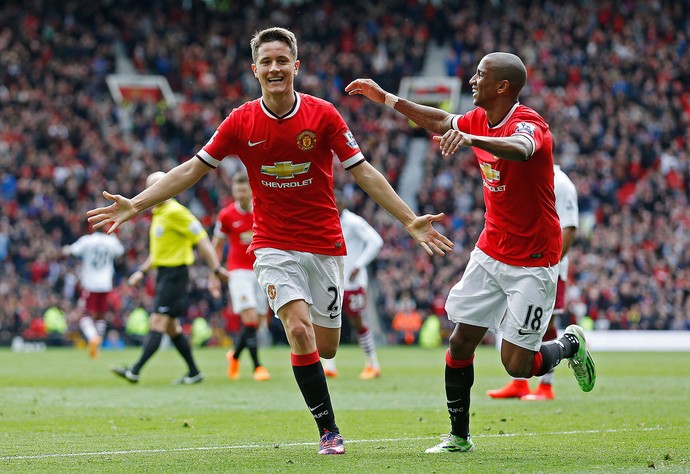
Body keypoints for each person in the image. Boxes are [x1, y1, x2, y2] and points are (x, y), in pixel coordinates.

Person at [87, 27, 452, 455]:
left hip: (323, 246)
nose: (275, 68)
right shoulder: (241, 120)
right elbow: (192, 169)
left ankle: (319, 389)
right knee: (298, 331)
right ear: (254, 69)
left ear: (295, 66)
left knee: (328, 346)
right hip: (273, 245)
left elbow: (364, 170)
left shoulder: (324, 115)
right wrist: (138, 203)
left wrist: (409, 220)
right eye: (267, 62)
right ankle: (328, 431)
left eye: (282, 61)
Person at [346, 51, 596, 454]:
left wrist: (473, 138)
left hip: (533, 260)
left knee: (518, 365)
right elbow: (441, 120)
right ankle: (459, 437)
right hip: (491, 249)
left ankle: (569, 345)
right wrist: (388, 99)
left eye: (480, 75)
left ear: (503, 87)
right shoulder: (477, 117)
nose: (471, 81)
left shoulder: (531, 125)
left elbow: (520, 148)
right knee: (460, 343)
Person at [109, 171, 228, 385]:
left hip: (176, 275)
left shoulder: (176, 212)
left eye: (155, 187)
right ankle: (194, 372)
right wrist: (142, 272)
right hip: (164, 274)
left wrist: (216, 270)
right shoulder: (159, 213)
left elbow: (202, 240)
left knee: (157, 322)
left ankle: (135, 371)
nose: (151, 192)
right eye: (149, 188)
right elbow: (159, 252)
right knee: (172, 328)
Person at [487, 163, 579, 401]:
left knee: (547, 322)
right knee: (517, 318)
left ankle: (546, 387)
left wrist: (551, 264)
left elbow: (569, 228)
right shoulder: (528, 178)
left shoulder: (561, 183)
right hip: (523, 264)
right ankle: (519, 384)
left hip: (549, 267)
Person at [212, 171, 270, 382]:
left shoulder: (263, 210)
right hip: (238, 272)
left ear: (251, 189)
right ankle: (258, 367)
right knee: (250, 317)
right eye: (237, 190)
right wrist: (215, 270)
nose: (240, 193)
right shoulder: (227, 215)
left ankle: (235, 356)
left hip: (262, 270)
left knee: (259, 321)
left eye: (243, 189)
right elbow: (216, 245)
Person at [321, 190, 384, 380]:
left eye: (336, 203)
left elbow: (376, 241)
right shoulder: (325, 220)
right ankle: (328, 366)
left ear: (342, 205)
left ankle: (373, 363)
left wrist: (359, 264)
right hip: (331, 281)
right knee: (327, 321)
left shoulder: (353, 222)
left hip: (353, 282)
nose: (334, 206)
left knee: (357, 322)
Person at [62, 227, 124, 359]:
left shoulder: (87, 240)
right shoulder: (111, 240)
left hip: (90, 283)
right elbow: (120, 252)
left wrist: (65, 249)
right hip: (106, 283)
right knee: (100, 316)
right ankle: (97, 346)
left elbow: (71, 251)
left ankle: (93, 338)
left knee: (84, 315)